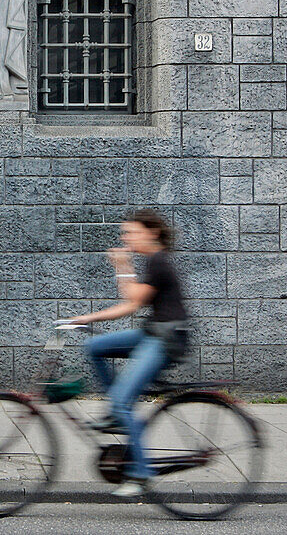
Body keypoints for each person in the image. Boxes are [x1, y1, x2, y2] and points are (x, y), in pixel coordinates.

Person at [68, 209, 190, 497]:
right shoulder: (153, 261)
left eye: (132, 232)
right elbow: (130, 305)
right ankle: (115, 413)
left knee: (124, 399)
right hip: (153, 333)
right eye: (126, 233)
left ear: (152, 233)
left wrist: (122, 264)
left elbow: (133, 301)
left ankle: (141, 473)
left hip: (166, 340)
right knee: (94, 346)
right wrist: (88, 319)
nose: (126, 237)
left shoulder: (159, 261)